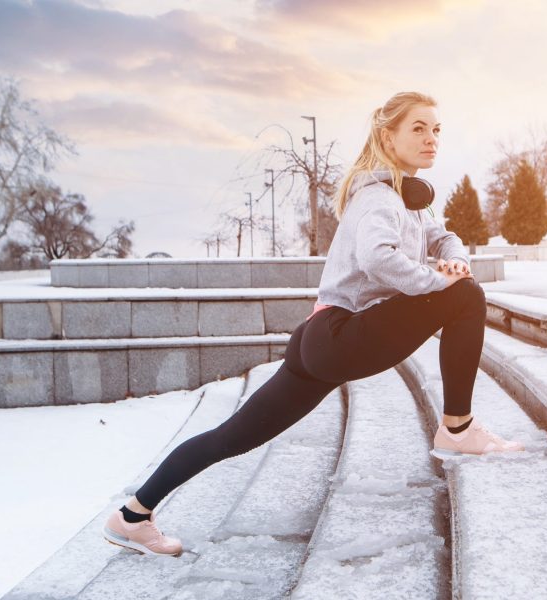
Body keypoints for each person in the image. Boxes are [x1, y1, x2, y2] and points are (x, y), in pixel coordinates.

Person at [102, 91, 524, 557]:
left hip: (318, 341)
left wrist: (456, 262)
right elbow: (377, 258)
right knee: (465, 298)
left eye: (436, 129)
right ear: (389, 136)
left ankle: (133, 516)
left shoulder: (411, 201)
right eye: (418, 129)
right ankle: (458, 427)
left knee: (233, 437)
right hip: (340, 335)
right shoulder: (378, 197)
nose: (431, 139)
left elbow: (443, 238)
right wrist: (438, 282)